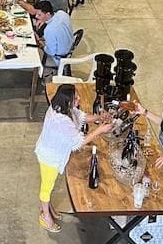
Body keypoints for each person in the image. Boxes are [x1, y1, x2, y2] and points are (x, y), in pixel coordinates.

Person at [35, 84, 113, 231]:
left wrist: (99, 117)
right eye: (75, 98)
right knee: (47, 187)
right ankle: (45, 217)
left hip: (50, 151)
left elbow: (80, 116)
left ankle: (48, 210)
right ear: (67, 101)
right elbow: (79, 142)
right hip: (49, 157)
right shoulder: (61, 121)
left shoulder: (61, 107)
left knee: (49, 185)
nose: (79, 99)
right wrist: (100, 130)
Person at [33, 1, 74, 69]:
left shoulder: (49, 29)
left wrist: (39, 41)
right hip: (68, 45)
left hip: (59, 57)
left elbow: (50, 52)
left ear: (48, 14)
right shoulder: (62, 13)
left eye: (39, 15)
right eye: (36, 14)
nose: (36, 17)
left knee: (33, 53)